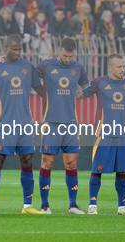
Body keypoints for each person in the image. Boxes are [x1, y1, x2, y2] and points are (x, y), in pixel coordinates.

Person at [0, 34, 45, 215]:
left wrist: (59, 98)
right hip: (4, 124)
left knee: (27, 161)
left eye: (19, 49)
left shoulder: (29, 67)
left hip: (25, 124)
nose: (17, 52)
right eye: (14, 49)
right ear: (6, 47)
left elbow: (40, 89)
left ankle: (27, 206)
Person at [75, 54, 125, 215]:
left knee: (122, 171)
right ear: (110, 67)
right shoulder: (99, 82)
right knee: (97, 170)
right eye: (119, 67)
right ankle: (92, 205)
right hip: (104, 134)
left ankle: (122, 207)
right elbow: (81, 94)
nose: (123, 69)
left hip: (122, 135)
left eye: (124, 66)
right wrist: (64, 95)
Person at [35, 38, 89, 215]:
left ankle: (73, 205)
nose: (67, 59)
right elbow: (28, 74)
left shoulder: (78, 68)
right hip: (51, 122)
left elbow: (87, 87)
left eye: (71, 56)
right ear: (59, 50)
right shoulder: (46, 66)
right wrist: (43, 93)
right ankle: (45, 205)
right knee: (47, 162)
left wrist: (79, 95)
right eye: (65, 55)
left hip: (71, 123)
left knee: (71, 164)